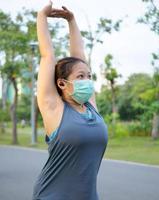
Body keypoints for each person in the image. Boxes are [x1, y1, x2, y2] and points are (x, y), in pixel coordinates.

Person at [32, 1, 108, 200]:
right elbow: (47, 56)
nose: (87, 81)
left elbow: (79, 56)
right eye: (80, 77)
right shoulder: (54, 109)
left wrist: (72, 21)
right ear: (62, 83)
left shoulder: (90, 106)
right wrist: (42, 16)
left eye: (89, 76)